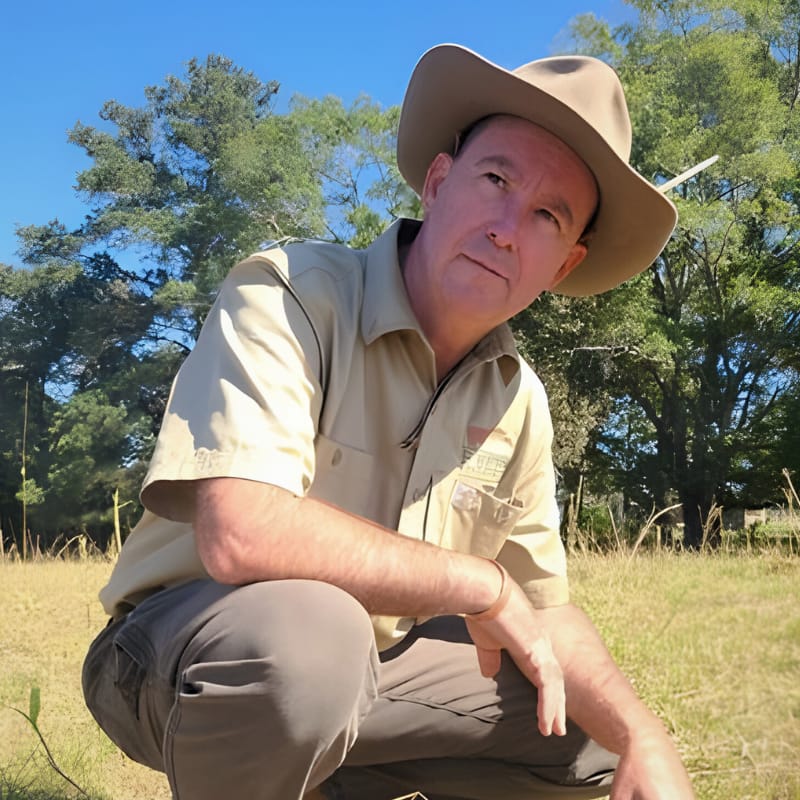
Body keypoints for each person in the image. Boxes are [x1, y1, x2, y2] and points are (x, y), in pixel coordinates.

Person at [82, 44, 696, 800]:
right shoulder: (290, 295)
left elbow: (542, 611)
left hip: (369, 672)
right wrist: (479, 583)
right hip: (171, 656)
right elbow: (241, 531)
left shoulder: (518, 398)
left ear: (564, 265)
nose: (507, 227)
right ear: (439, 183)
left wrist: (643, 734)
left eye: (546, 214)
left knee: (579, 731)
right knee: (310, 645)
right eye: (496, 179)